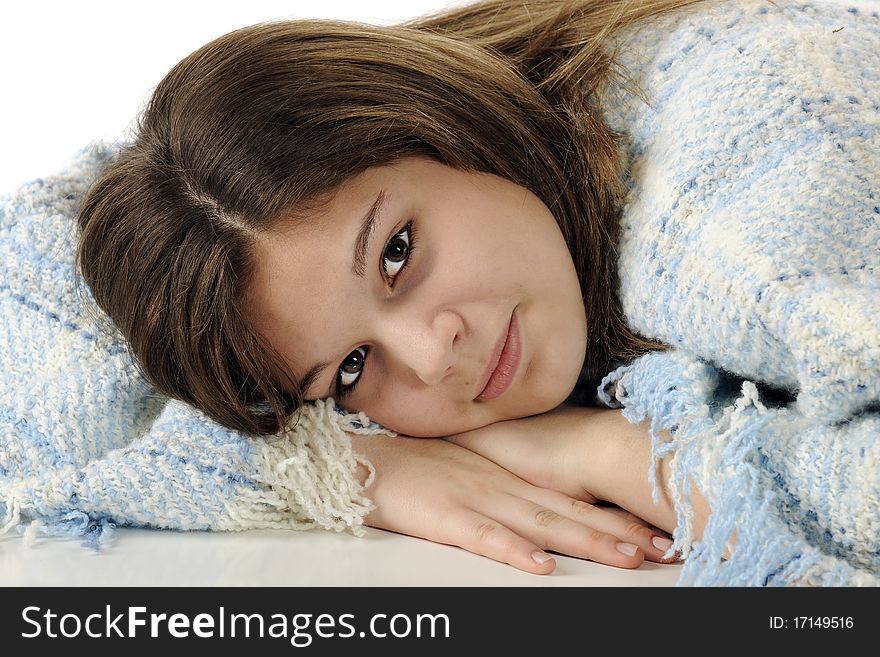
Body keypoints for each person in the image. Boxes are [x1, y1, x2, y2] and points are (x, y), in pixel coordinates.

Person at [75, 0, 719, 575]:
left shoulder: (714, 199)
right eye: (352, 369)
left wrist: (606, 452)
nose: (431, 356)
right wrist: (355, 464)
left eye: (395, 254)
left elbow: (816, 518)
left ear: (442, 124)